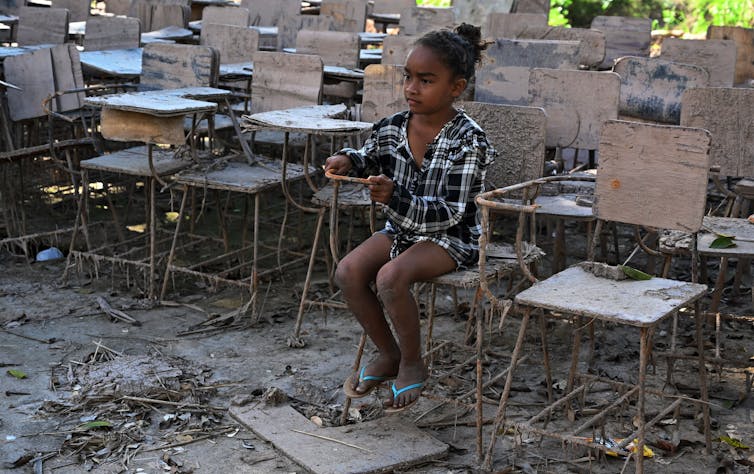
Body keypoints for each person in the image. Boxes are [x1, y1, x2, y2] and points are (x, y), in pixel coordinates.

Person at [325, 23, 496, 413]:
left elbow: (451, 211)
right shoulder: (392, 126)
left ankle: (414, 361)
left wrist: (396, 197)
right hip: (403, 229)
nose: (411, 88)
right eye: (408, 77)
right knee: (348, 271)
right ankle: (389, 354)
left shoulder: (469, 140)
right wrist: (348, 160)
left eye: (426, 80)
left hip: (453, 237)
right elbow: (370, 154)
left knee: (389, 277)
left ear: (456, 88)